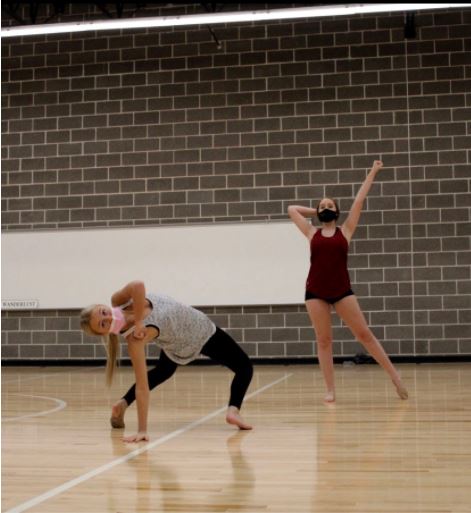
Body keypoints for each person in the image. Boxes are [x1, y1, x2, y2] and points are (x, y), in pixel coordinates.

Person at [288, 160, 408, 403]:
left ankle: (396, 378)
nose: (325, 208)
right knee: (324, 341)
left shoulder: (346, 230)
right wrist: (316, 210)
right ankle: (330, 390)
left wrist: (372, 171)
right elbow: (292, 209)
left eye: (329, 205)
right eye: (323, 206)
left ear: (337, 211)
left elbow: (359, 200)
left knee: (364, 335)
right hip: (315, 292)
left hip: (342, 291)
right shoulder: (312, 232)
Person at [80, 281, 253, 442]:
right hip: (199, 334)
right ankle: (233, 410)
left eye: (103, 312)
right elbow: (142, 386)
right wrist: (142, 431)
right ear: (105, 333)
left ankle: (122, 403)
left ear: (103, 306)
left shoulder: (118, 301)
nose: (108, 318)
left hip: (184, 333)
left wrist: (139, 321)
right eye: (103, 324)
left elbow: (138, 285)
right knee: (245, 367)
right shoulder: (135, 339)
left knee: (164, 371)